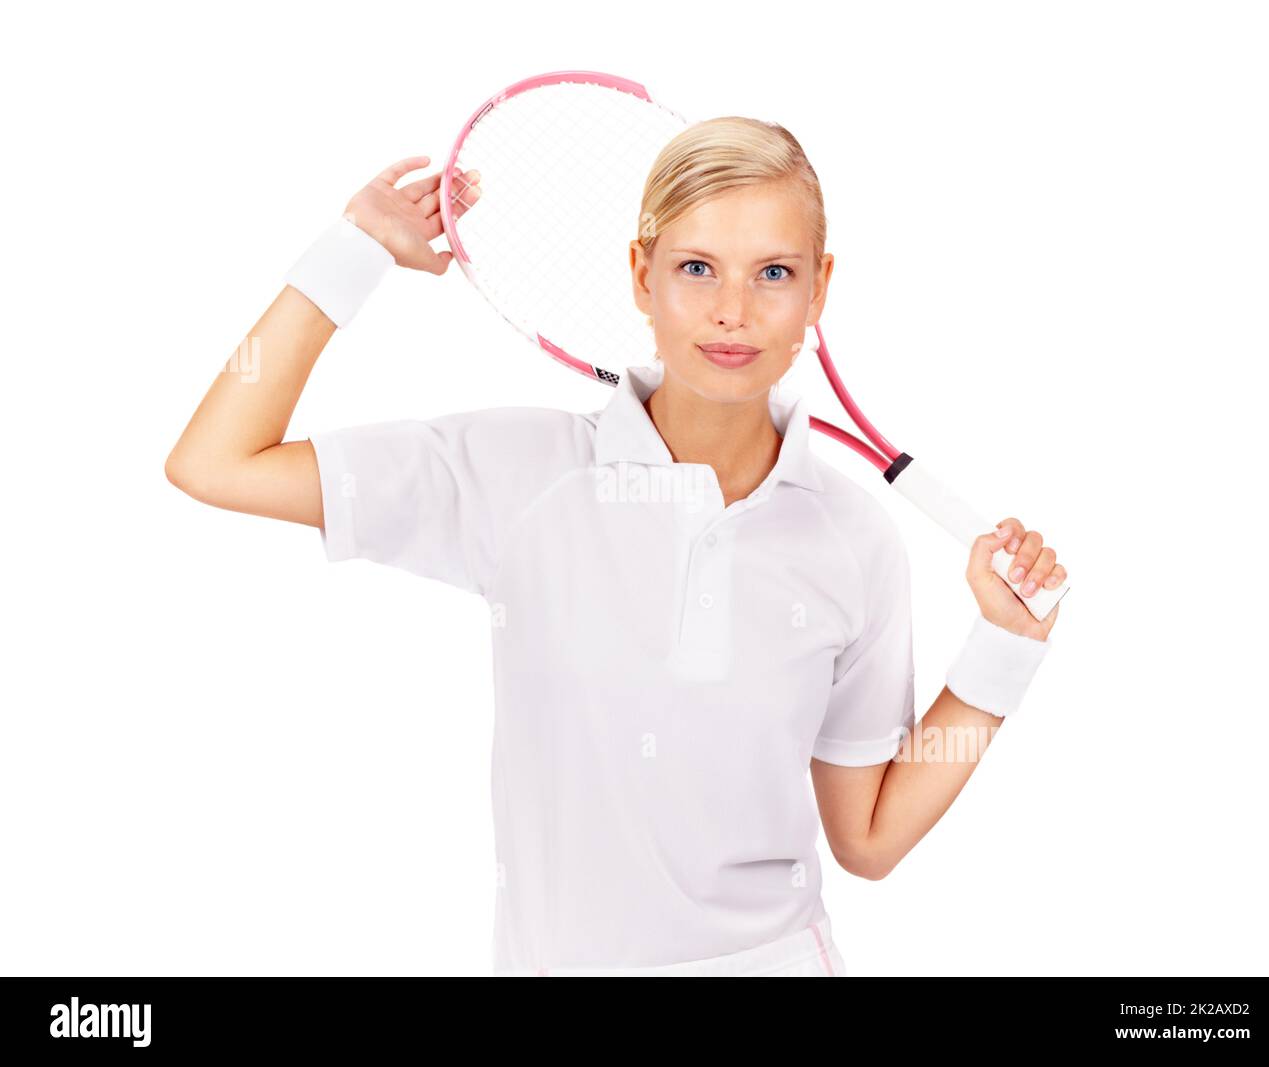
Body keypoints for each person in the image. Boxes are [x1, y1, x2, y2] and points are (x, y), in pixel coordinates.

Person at [165, 117, 1065, 977]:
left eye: (775, 272)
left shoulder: (852, 536)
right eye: (697, 267)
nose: (733, 311)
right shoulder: (516, 474)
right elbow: (215, 461)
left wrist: (1004, 646)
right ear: (642, 276)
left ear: (819, 289)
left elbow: (867, 838)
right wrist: (354, 252)